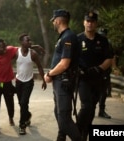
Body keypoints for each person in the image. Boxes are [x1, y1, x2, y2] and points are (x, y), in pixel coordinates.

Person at [44, 9, 81, 141]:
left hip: (64, 82)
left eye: (54, 20)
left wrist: (49, 73)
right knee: (58, 113)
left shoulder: (68, 37)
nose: (53, 23)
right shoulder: (64, 37)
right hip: (59, 82)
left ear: (58, 20)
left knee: (64, 119)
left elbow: (65, 63)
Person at [76, 11, 113, 141]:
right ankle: (77, 131)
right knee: (86, 106)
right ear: (84, 22)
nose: (89, 24)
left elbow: (109, 59)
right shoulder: (78, 39)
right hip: (83, 79)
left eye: (92, 22)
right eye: (87, 21)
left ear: (96, 23)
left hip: (98, 79)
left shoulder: (102, 40)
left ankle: (85, 132)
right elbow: (71, 58)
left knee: (92, 108)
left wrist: (99, 68)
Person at [15, 33, 47, 135]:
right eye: (27, 40)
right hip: (18, 81)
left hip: (29, 82)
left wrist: (44, 80)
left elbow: (39, 67)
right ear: (21, 42)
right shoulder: (16, 52)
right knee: (21, 103)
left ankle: (22, 125)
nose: (30, 42)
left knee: (24, 103)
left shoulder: (33, 54)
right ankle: (27, 115)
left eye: (30, 40)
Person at [97, 28, 112, 118]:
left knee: (103, 92)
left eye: (103, 35)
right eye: (100, 34)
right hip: (94, 71)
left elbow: (111, 57)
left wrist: (114, 68)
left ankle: (101, 110)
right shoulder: (94, 42)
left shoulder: (108, 44)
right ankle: (89, 109)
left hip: (104, 71)